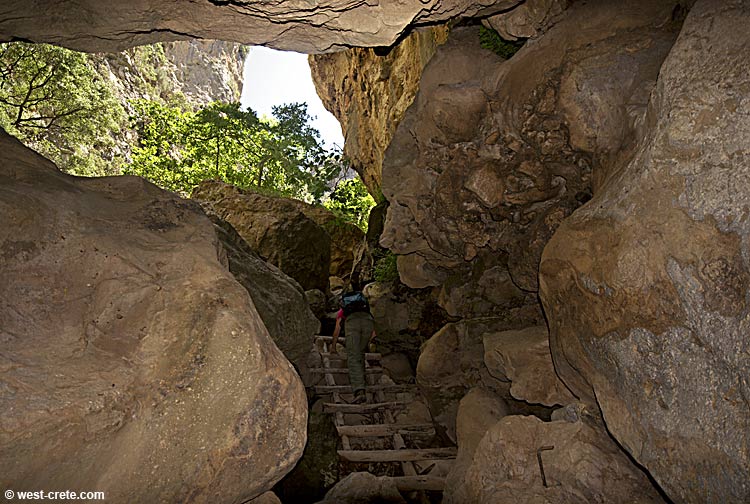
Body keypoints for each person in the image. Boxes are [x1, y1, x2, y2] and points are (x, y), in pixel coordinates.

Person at [330, 289, 376, 404]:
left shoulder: (343, 311)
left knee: (353, 357)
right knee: (360, 355)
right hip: (368, 323)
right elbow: (373, 334)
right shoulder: (364, 309)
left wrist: (333, 346)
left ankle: (359, 392)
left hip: (353, 324)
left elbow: (337, 330)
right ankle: (362, 385)